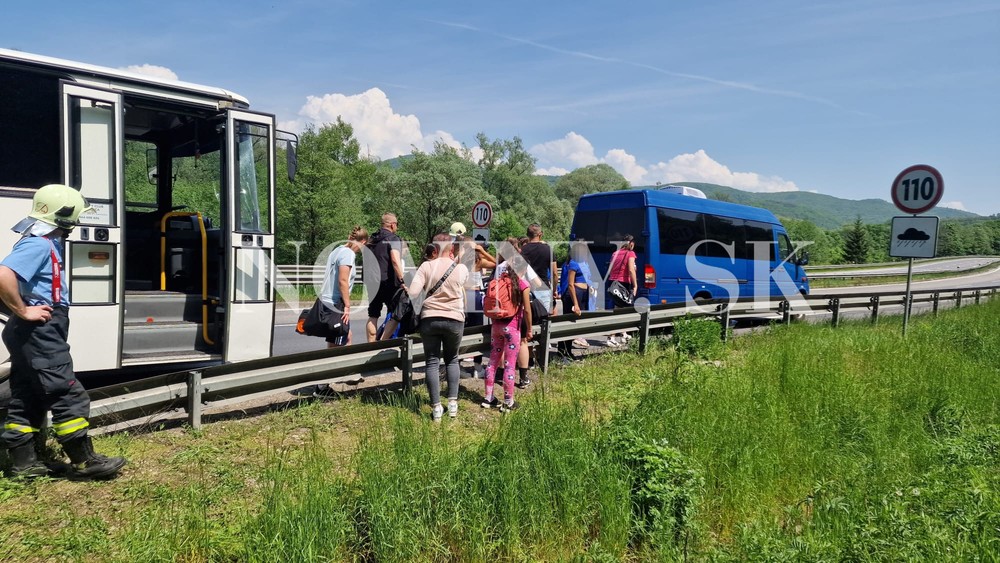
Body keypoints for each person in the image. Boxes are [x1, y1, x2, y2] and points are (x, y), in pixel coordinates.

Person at [0, 184, 126, 480]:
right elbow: (4, 274)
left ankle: (24, 464)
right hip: (37, 329)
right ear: (65, 217)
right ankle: (85, 461)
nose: (77, 224)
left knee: (27, 394)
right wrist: (23, 310)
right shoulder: (39, 243)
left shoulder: (43, 240)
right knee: (65, 391)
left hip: (32, 331)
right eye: (76, 218)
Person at [409, 233, 469, 421]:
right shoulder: (461, 268)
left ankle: (436, 407)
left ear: (434, 249)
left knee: (432, 362)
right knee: (452, 359)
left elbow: (413, 293)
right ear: (451, 248)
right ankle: (452, 404)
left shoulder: (426, 266)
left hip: (430, 319)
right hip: (454, 319)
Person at [481, 250, 532, 413]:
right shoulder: (522, 284)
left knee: (493, 362)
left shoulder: (499, 281)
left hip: (496, 326)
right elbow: (528, 311)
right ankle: (508, 401)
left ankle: (488, 398)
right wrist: (529, 329)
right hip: (512, 328)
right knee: (510, 365)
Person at [318, 226, 368, 348]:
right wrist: (347, 305)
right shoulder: (349, 254)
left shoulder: (337, 250)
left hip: (327, 300)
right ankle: (339, 366)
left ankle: (336, 365)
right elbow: (343, 280)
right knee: (341, 340)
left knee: (340, 337)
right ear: (363, 242)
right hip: (337, 303)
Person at [455, 232, 495, 378]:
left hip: (463, 295)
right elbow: (497, 263)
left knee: (462, 330)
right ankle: (477, 367)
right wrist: (483, 252)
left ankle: (459, 366)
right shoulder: (478, 261)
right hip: (475, 295)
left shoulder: (460, 260)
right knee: (476, 331)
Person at [366, 213, 406, 342]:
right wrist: (403, 280)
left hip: (371, 281)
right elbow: (395, 260)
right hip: (388, 282)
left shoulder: (372, 239)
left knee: (373, 315)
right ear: (393, 225)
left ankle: (370, 347)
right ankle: (383, 342)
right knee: (396, 314)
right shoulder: (393, 239)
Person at [557, 241, 593, 358]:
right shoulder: (573, 263)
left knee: (575, 324)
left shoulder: (585, 263)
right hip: (573, 295)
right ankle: (563, 351)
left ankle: (568, 350)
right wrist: (576, 304)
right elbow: (571, 284)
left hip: (583, 294)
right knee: (569, 322)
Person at [607, 233, 638, 347]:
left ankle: (623, 333)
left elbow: (610, 269)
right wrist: (635, 285)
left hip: (613, 282)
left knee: (621, 310)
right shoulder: (630, 253)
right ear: (630, 243)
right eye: (633, 243)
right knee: (620, 311)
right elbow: (631, 270)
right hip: (623, 283)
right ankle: (611, 337)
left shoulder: (615, 253)